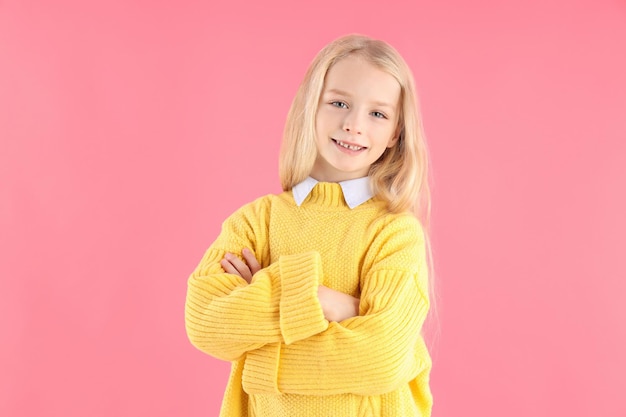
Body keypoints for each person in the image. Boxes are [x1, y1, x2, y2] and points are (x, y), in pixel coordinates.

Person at [185, 34, 434, 416]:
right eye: (338, 103)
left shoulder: (394, 233)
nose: (353, 124)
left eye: (377, 114)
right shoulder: (257, 222)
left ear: (395, 134)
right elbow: (206, 323)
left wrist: (261, 358)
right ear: (310, 108)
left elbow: (380, 358)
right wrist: (330, 304)